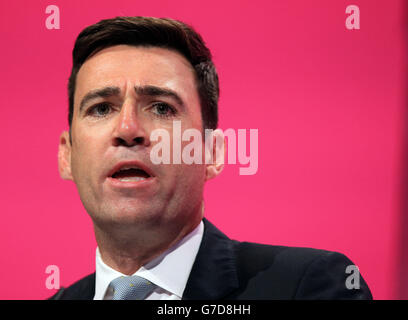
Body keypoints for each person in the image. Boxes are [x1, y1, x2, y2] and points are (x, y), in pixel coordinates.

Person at [50, 16, 372, 300]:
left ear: (211, 152)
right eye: (101, 108)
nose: (128, 128)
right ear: (68, 154)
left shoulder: (308, 287)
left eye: (162, 107)